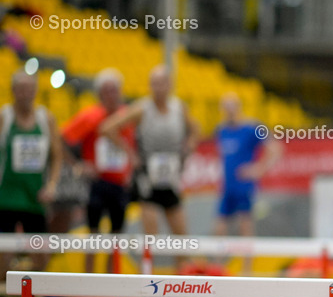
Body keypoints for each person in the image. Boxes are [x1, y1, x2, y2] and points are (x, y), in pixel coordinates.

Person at [100, 65, 198, 268]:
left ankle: (183, 282)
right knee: (151, 240)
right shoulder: (142, 109)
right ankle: (147, 282)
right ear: (150, 86)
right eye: (154, 83)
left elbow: (196, 129)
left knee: (182, 241)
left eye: (162, 83)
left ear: (170, 85)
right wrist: (131, 154)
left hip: (171, 181)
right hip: (148, 182)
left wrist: (189, 146)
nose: (159, 88)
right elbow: (108, 128)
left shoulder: (179, 108)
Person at [62, 68, 136, 272]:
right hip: (97, 183)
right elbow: (62, 138)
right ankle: (89, 280)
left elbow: (134, 144)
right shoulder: (90, 116)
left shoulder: (128, 116)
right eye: (107, 91)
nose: (111, 95)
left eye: (115, 90)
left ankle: (112, 281)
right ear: (99, 93)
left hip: (120, 184)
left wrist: (131, 168)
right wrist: (78, 165)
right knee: (93, 235)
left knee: (117, 237)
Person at [212, 93, 282, 274]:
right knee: (219, 228)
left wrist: (258, 169)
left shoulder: (251, 128)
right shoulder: (221, 131)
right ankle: (217, 269)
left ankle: (247, 270)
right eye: (225, 107)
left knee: (245, 227)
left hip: (243, 187)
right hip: (227, 187)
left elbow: (275, 148)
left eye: (231, 106)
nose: (228, 111)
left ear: (238, 107)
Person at [0, 71, 62, 274]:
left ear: (35, 91)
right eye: (21, 89)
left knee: (41, 255)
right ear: (13, 91)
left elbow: (57, 156)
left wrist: (51, 185)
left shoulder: (46, 119)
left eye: (29, 89)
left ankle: (29, 288)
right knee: (4, 255)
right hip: (6, 197)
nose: (25, 94)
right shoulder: (4, 117)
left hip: (35, 196)